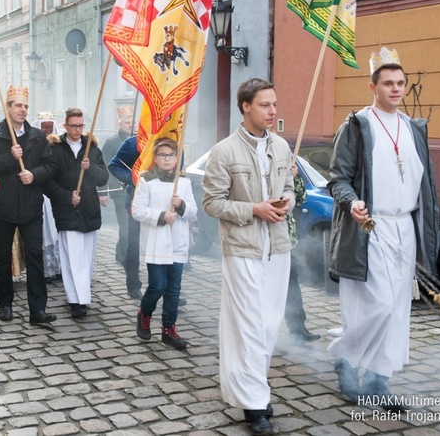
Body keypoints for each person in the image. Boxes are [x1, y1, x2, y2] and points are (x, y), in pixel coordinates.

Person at [327, 47, 440, 411]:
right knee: (376, 304)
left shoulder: (413, 128)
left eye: (400, 83)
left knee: (397, 308)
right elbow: (338, 178)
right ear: (372, 85)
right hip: (370, 227)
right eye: (388, 83)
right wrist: (352, 203)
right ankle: (345, 356)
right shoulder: (357, 126)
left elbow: (425, 185)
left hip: (404, 226)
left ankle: (377, 379)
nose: (395, 89)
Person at [202, 78, 294, 435]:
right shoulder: (224, 151)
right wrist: (253, 209)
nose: (272, 112)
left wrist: (287, 201)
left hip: (278, 247)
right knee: (250, 325)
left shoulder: (283, 146)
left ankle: (253, 385)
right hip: (242, 247)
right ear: (245, 106)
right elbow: (212, 203)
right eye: (264, 105)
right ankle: (255, 405)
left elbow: (287, 186)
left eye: (274, 104)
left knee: (269, 325)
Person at [0, 85, 57, 325]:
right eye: (18, 105)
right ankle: (6, 304)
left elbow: (50, 166)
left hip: (31, 206)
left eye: (25, 106)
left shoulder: (37, 136)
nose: (23, 110)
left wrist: (33, 175)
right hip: (3, 206)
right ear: (7, 107)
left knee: (35, 257)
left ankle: (38, 310)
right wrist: (9, 157)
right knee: (3, 258)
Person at [133, 138, 197, 350]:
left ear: (177, 158)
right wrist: (161, 215)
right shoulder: (147, 181)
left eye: (171, 155)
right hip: (156, 243)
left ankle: (169, 329)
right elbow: (138, 211)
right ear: (156, 158)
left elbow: (193, 213)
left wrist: (181, 206)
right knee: (158, 286)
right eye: (162, 155)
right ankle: (144, 314)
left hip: (177, 243)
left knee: (173, 290)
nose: (167, 159)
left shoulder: (184, 182)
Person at [45, 108, 109, 318]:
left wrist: (90, 167)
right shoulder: (54, 150)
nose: (77, 130)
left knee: (87, 258)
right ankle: (75, 299)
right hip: (67, 210)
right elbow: (47, 183)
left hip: (89, 209)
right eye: (73, 126)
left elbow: (103, 179)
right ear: (65, 126)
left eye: (81, 126)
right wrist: (67, 196)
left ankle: (84, 295)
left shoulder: (92, 149)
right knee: (73, 257)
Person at [285, 163, 321, 343]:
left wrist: (295, 178)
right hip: (263, 238)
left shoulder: (285, 159)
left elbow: (300, 198)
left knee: (291, 282)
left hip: (286, 238)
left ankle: (297, 329)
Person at [108, 135, 143, 299]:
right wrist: (133, 179)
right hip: (138, 200)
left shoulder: (174, 139)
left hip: (164, 204)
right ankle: (133, 284)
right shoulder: (133, 143)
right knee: (134, 245)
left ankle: (169, 290)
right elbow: (114, 166)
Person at [31, 112, 63, 281]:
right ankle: (45, 269)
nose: (47, 130)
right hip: (41, 193)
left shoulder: (58, 145)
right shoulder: (33, 144)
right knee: (44, 232)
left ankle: (61, 267)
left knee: (59, 231)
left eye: (49, 127)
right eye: (44, 127)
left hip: (57, 193)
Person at [102, 105, 134, 266]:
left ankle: (120, 251)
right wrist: (105, 190)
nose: (130, 125)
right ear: (120, 123)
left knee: (133, 226)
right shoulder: (111, 142)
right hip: (120, 190)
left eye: (132, 122)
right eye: (127, 122)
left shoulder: (139, 140)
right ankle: (124, 257)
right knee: (125, 225)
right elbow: (106, 167)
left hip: (136, 190)